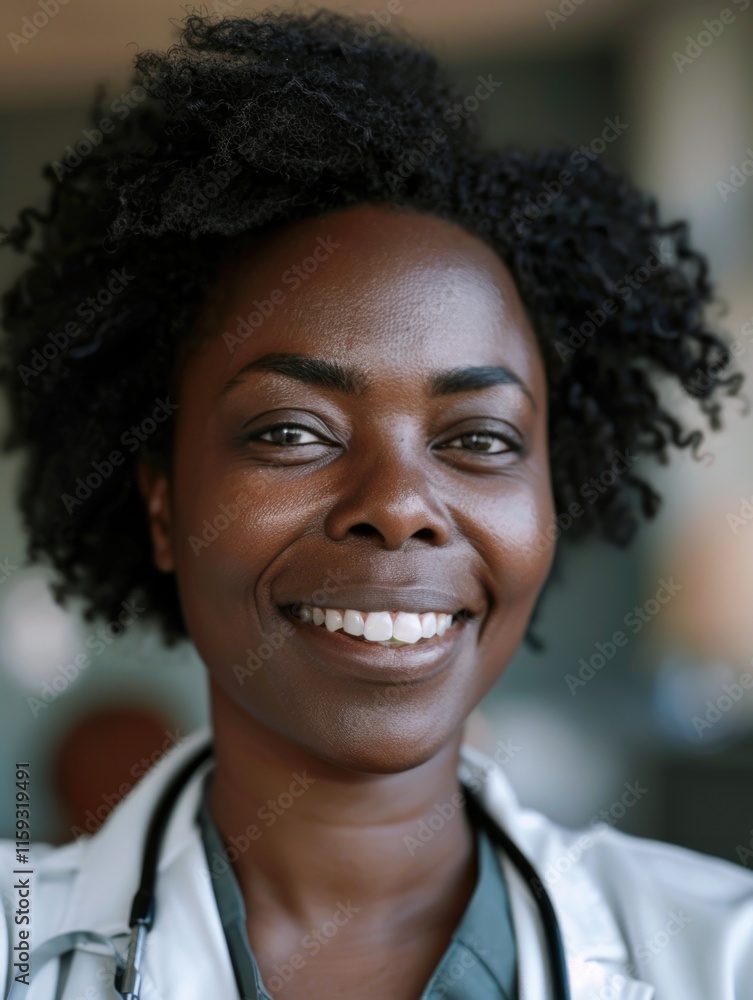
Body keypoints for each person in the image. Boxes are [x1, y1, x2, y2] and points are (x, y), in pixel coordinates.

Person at [0, 8, 751, 999]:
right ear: (163, 506)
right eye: (293, 431)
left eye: (479, 439)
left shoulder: (726, 956)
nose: (399, 506)